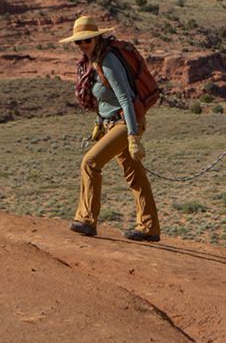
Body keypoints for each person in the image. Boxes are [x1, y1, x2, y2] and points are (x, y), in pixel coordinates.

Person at [64, 15, 160, 242]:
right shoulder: (91, 62)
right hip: (111, 123)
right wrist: (99, 122)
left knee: (90, 162)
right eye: (78, 42)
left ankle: (87, 219)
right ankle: (149, 227)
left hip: (125, 123)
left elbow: (125, 99)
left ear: (97, 38)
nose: (82, 46)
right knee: (134, 174)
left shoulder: (108, 61)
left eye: (86, 41)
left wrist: (133, 136)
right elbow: (104, 101)